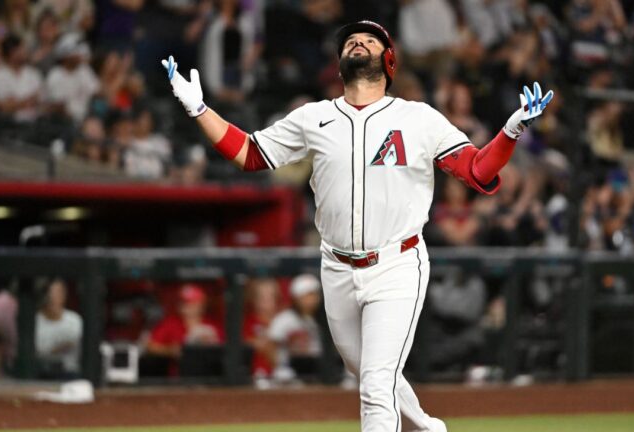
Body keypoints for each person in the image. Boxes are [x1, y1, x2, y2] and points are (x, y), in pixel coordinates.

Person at [161, 20, 553, 432]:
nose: (359, 43)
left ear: (389, 60)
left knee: (376, 385)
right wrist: (199, 110)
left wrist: (511, 131)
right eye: (351, 41)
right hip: (337, 267)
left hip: (396, 264)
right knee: (366, 371)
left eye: (369, 40)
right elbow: (250, 153)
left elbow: (476, 170)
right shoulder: (313, 117)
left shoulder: (417, 118)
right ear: (340, 62)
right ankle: (427, 428)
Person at [267, 274, 323, 384]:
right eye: (308, 295)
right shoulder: (284, 319)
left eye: (315, 295)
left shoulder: (323, 319)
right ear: (296, 297)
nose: (312, 299)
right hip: (290, 371)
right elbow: (270, 346)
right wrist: (279, 366)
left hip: (318, 368)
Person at [146, 284, 224, 363]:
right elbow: (150, 346)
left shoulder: (213, 324)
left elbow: (226, 348)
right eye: (184, 302)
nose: (187, 306)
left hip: (209, 368)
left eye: (192, 302)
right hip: (181, 368)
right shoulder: (170, 323)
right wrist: (170, 350)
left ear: (202, 304)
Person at [35, 278, 83, 379]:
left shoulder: (75, 320)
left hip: (71, 374)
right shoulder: (35, 321)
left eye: (57, 293)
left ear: (64, 296)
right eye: (50, 293)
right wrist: (60, 348)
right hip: (42, 375)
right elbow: (37, 352)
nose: (53, 298)